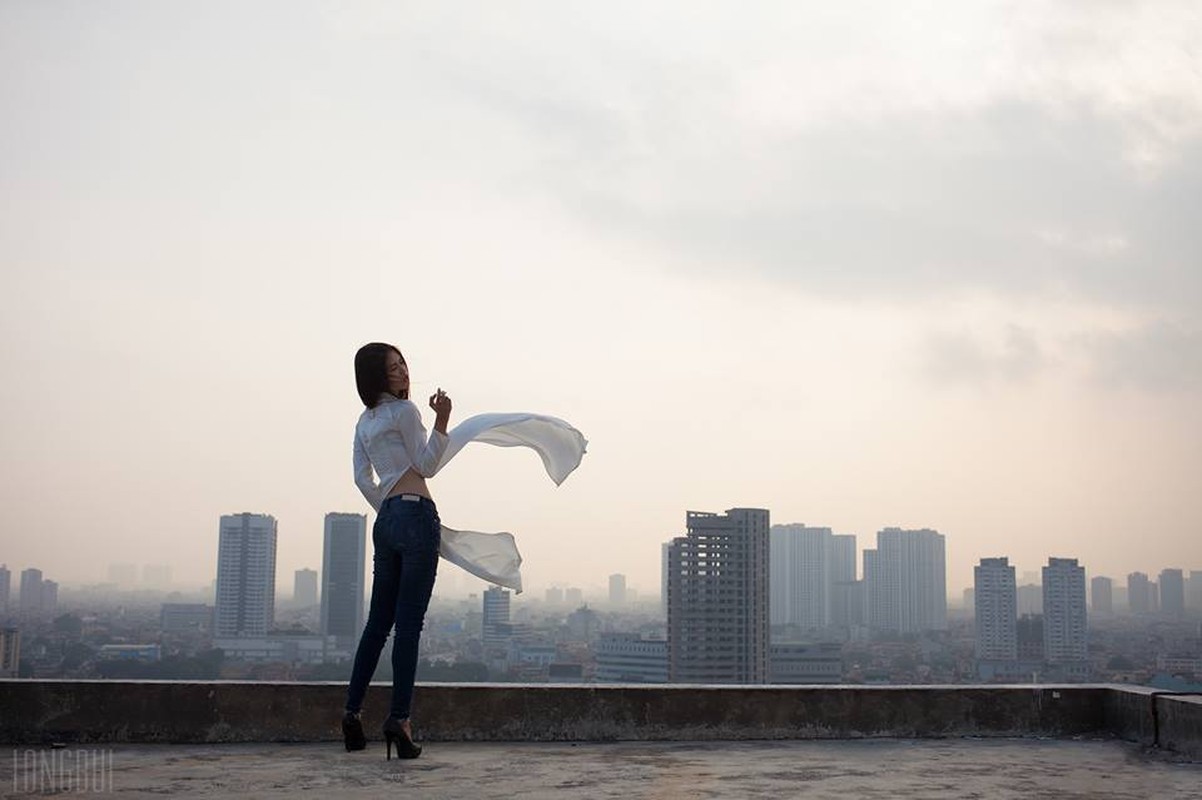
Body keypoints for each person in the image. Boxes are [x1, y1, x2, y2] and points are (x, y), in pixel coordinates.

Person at [342, 342, 450, 759]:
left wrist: (388, 505)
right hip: (416, 515)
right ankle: (400, 720)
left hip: (385, 522)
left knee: (376, 625)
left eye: (403, 363)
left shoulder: (363, 422)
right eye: (393, 367)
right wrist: (442, 420)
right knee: (407, 628)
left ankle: (352, 715)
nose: (403, 371)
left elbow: (360, 478)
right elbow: (426, 466)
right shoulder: (406, 413)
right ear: (377, 376)